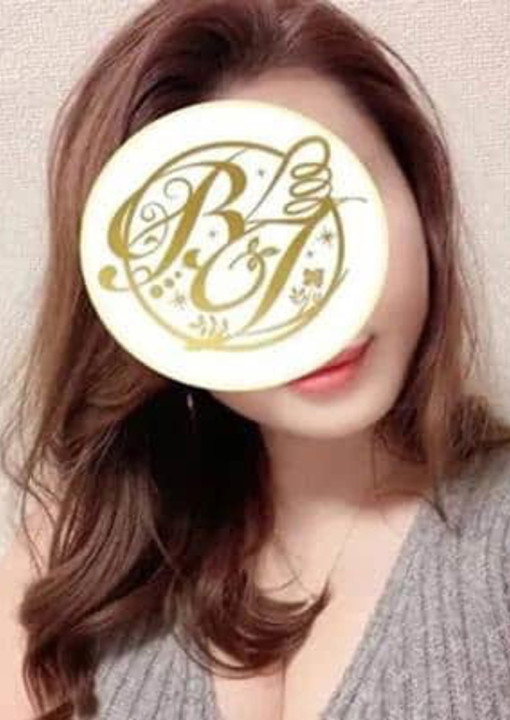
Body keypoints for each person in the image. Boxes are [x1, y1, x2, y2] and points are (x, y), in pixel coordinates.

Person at [1, 0, 510, 718]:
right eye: (217, 245)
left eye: (330, 209)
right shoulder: (75, 562)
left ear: (419, 200)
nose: (313, 305)